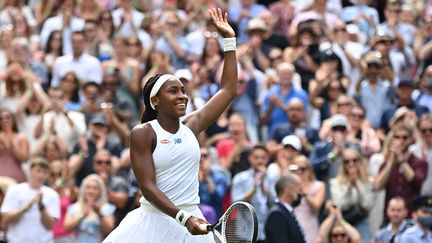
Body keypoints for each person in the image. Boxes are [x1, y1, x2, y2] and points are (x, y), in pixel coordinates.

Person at [103, 8, 237, 243]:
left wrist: (229, 40)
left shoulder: (191, 126)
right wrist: (184, 218)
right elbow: (147, 187)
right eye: (173, 91)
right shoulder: (143, 133)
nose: (182, 96)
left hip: (191, 218)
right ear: (155, 101)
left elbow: (228, 90)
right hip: (155, 222)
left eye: (183, 91)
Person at [1, 157, 60, 243]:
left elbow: (50, 225)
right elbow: (5, 219)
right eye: (38, 171)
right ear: (30, 171)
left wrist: (41, 207)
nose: (41, 175)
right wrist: (26, 207)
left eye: (44, 172)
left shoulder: (52, 194)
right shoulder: (14, 190)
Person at [63, 174, 115, 243]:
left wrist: (99, 213)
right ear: (83, 190)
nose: (91, 191)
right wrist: (82, 215)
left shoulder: (105, 208)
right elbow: (66, 227)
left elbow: (109, 229)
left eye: (95, 188)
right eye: (88, 187)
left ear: (100, 191)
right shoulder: (75, 207)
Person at [264, 173, 306, 243]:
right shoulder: (277, 215)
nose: (302, 193)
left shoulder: (285, 211)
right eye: (299, 189)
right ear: (288, 190)